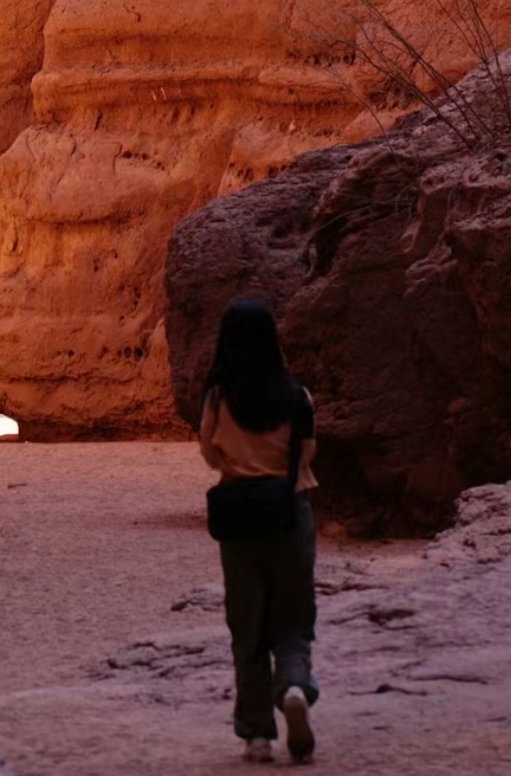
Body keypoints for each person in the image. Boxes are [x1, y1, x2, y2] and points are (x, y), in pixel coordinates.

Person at [198, 298, 318, 764]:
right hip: (290, 513)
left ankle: (256, 735)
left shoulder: (217, 397)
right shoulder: (297, 397)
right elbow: (306, 456)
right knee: (293, 621)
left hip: (239, 516)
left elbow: (210, 454)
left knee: (247, 628)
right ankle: (293, 688)